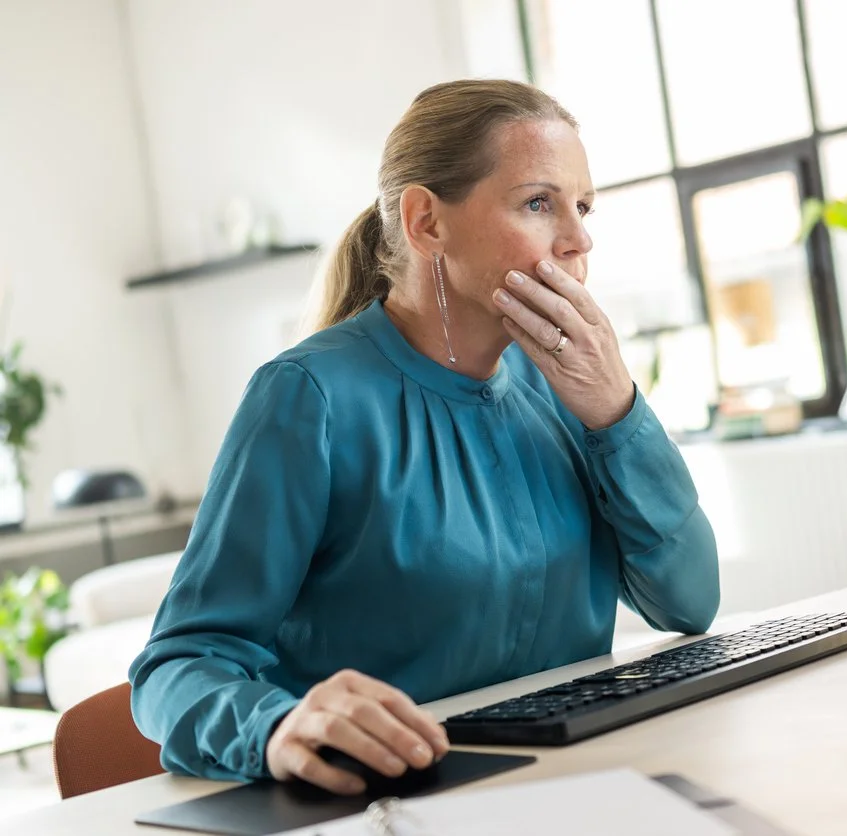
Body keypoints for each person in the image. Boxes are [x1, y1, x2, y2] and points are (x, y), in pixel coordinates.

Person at [128, 79, 720, 796]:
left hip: (580, 782)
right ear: (426, 222)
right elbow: (179, 663)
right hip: (388, 802)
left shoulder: (571, 387)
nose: (579, 238)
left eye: (583, 206)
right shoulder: (308, 397)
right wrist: (276, 728)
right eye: (539, 203)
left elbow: (690, 602)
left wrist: (616, 411)